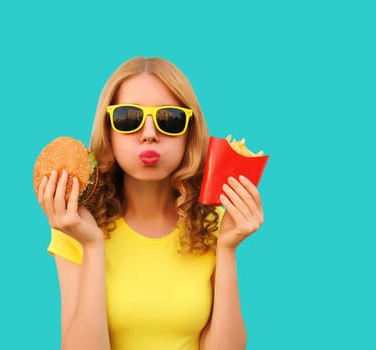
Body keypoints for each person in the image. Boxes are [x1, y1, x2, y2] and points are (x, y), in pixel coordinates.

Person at [36, 56, 264, 350]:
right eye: (128, 118)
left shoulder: (212, 222)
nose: (149, 135)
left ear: (189, 133)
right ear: (109, 131)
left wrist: (228, 247)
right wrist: (92, 246)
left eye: (170, 119)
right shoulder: (74, 225)